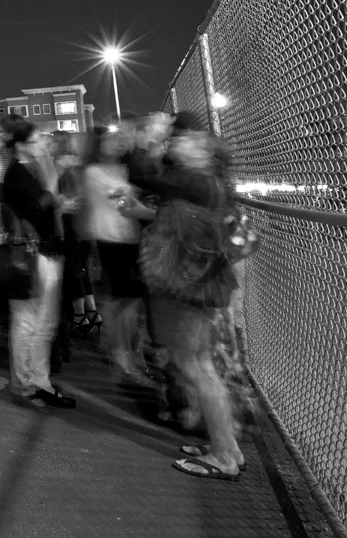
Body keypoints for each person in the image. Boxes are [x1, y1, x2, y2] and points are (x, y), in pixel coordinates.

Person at [130, 112, 245, 480]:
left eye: (191, 142)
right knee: (201, 365)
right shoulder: (205, 183)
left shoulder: (193, 180)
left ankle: (223, 457)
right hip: (196, 282)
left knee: (194, 366)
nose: (180, 142)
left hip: (185, 284)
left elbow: (141, 173)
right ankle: (227, 446)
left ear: (206, 155)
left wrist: (150, 137)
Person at [1, 117, 76, 408]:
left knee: (36, 321)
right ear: (20, 145)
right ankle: (29, 383)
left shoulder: (25, 169)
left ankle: (33, 380)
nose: (41, 144)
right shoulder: (17, 173)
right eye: (35, 140)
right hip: (34, 254)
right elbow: (31, 208)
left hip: (41, 251)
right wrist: (52, 189)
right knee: (32, 322)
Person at [81, 125, 154, 378]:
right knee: (124, 297)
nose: (115, 143)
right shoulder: (93, 172)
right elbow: (120, 200)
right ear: (98, 146)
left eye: (117, 139)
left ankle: (128, 348)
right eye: (108, 140)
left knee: (131, 298)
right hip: (111, 238)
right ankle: (122, 352)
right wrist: (142, 201)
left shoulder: (124, 169)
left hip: (132, 238)